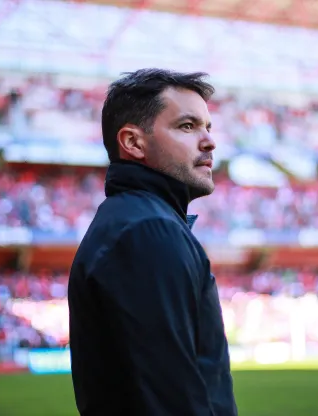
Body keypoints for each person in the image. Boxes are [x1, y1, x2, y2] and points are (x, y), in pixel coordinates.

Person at [67, 69, 237, 416]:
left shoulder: (139, 221)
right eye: (187, 126)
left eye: (207, 127)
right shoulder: (147, 231)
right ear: (133, 142)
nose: (209, 141)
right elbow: (171, 399)